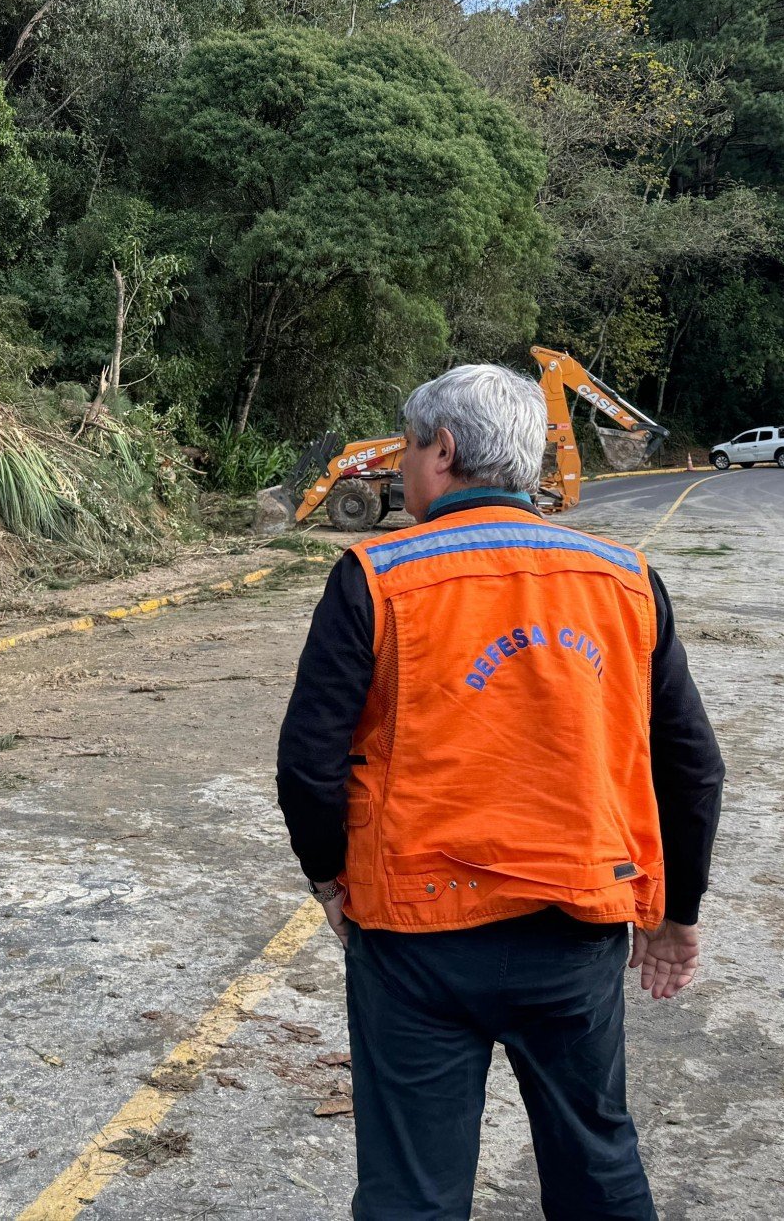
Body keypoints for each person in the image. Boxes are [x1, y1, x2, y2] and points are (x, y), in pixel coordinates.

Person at [276, 364, 725, 1221]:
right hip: (576, 926)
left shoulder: (375, 575)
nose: (402, 468)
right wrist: (679, 913)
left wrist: (330, 880)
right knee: (598, 1163)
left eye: (408, 447)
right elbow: (691, 765)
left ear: (441, 450)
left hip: (416, 935)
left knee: (412, 1189)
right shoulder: (625, 579)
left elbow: (307, 764)